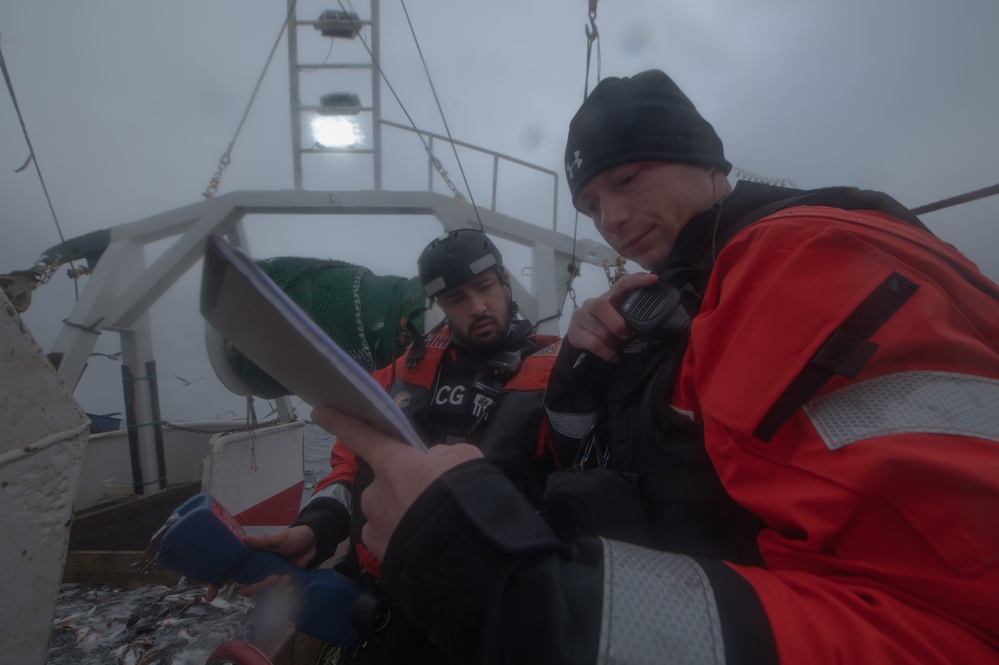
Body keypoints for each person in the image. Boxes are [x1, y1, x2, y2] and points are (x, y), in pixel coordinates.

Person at [309, 68, 999, 665]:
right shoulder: (694, 297)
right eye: (590, 203)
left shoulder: (801, 266)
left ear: (704, 159)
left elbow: (956, 623)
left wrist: (514, 594)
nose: (611, 217)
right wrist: (588, 374)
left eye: (628, 178)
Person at [234, 228, 569, 659]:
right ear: (440, 306)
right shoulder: (396, 376)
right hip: (379, 604)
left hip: (488, 610)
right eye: (456, 299)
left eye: (484, 288)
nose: (477, 307)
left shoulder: (560, 377)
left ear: (504, 280)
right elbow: (348, 468)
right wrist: (314, 528)